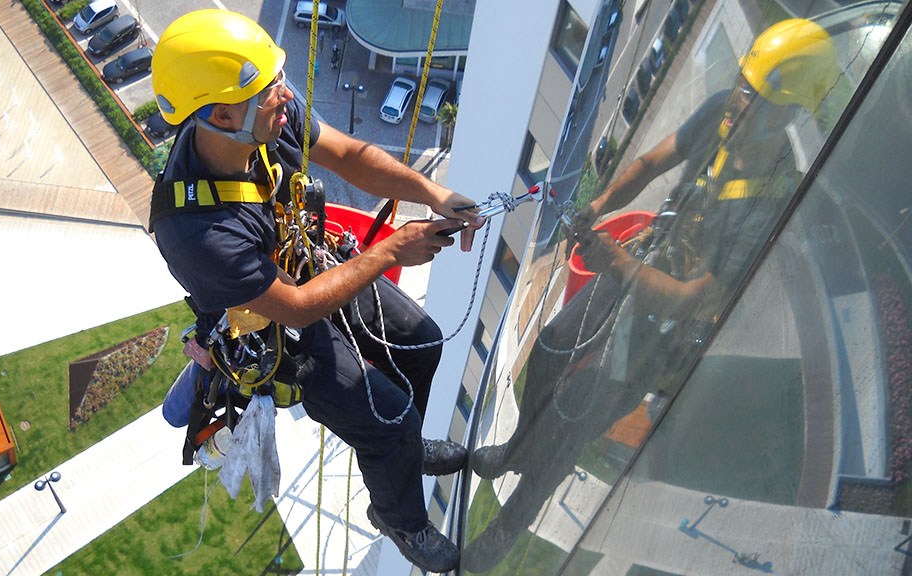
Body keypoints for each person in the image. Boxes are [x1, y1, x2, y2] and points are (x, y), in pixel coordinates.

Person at [464, 19, 839, 571]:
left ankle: (501, 533)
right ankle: (518, 449)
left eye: (754, 99)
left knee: (570, 428)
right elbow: (649, 163)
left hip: (665, 332)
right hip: (643, 262)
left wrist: (615, 260)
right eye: (740, 86)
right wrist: (599, 208)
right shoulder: (722, 114)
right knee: (549, 346)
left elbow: (694, 301)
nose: (737, 103)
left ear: (784, 114)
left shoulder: (768, 202)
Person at [149, 10, 483, 573]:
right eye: (266, 90)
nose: (284, 95)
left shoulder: (263, 118)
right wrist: (393, 251)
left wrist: (433, 192)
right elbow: (299, 309)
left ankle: (400, 454)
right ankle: (399, 517)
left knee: (423, 342)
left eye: (277, 81)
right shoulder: (195, 230)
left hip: (304, 260)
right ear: (221, 113)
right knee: (388, 418)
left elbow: (350, 155)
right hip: (273, 330)